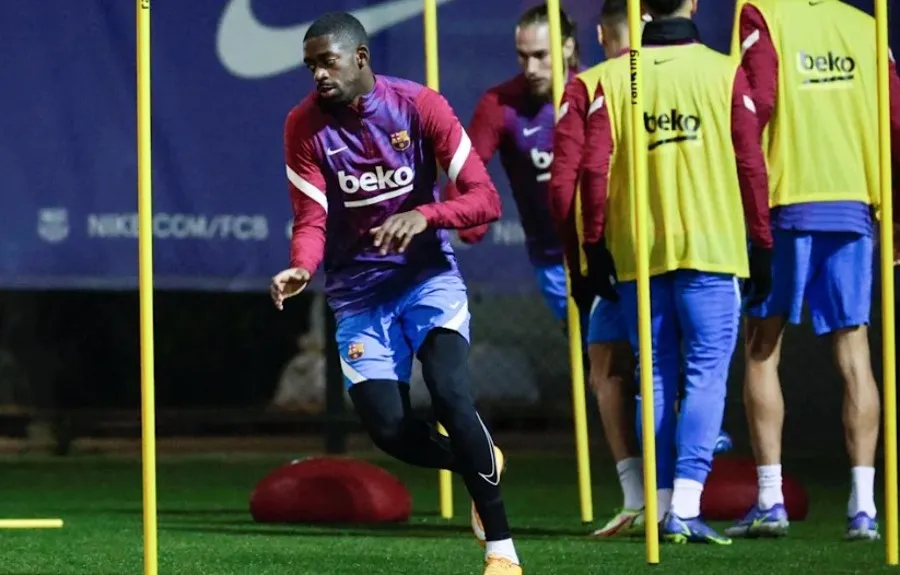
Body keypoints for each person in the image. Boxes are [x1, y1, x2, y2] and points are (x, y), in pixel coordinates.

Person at [269, 13, 522, 574]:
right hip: (357, 296)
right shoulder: (303, 126)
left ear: (360, 57)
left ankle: (501, 549)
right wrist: (300, 267)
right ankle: (479, 460)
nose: (317, 75)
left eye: (326, 61)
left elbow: (485, 200)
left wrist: (425, 215)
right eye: (310, 65)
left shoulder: (418, 106)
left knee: (451, 392)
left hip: (425, 279)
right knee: (388, 430)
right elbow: (310, 219)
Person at [580, 0, 773, 544]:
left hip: (638, 252)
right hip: (713, 249)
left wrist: (595, 249)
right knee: (704, 375)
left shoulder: (614, 78)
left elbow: (594, 171)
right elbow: (750, 163)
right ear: (692, 4)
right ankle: (684, 505)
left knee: (655, 376)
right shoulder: (724, 71)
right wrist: (763, 245)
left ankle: (662, 505)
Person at [726, 0, 900, 541]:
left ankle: (772, 499)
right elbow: (895, 120)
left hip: (788, 199)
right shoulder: (869, 24)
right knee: (855, 353)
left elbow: (758, 103)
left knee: (761, 346)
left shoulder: (760, 14)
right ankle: (864, 508)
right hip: (854, 202)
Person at [444, 4, 583, 323]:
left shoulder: (593, 91)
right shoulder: (500, 104)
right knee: (595, 357)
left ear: (567, 46)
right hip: (552, 260)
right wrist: (467, 218)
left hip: (606, 253)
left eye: (540, 55)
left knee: (631, 359)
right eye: (523, 56)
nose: (531, 67)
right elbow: (464, 167)